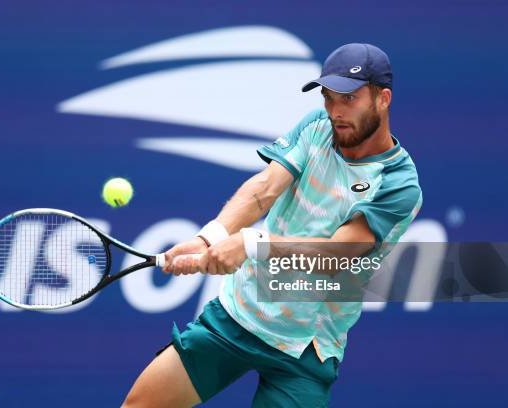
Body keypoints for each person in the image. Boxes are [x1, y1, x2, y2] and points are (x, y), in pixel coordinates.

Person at [122, 43, 422, 408]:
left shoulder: (398, 183)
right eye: (329, 98)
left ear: (383, 98)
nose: (335, 111)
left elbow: (338, 254)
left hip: (306, 351)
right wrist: (211, 236)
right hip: (239, 315)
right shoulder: (317, 127)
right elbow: (264, 189)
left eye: (349, 99)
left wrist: (252, 244)